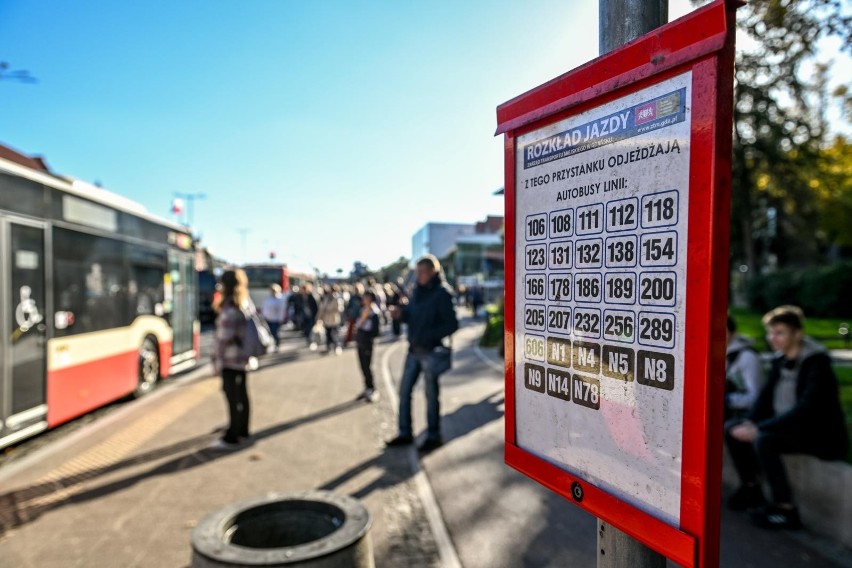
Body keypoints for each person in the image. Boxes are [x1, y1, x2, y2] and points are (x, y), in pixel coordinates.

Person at [725, 305, 849, 529]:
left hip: (818, 434)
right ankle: (751, 487)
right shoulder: (779, 360)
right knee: (733, 428)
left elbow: (806, 409)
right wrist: (751, 421)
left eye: (779, 333)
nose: (773, 338)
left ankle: (785, 509)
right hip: (788, 427)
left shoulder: (816, 363)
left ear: (798, 334)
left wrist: (760, 427)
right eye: (771, 333)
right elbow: (764, 398)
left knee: (764, 439)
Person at [386, 255, 459, 453]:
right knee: (404, 392)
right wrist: (401, 314)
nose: (418, 276)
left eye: (421, 272)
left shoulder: (442, 293)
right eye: (416, 272)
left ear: (432, 272)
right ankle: (404, 432)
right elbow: (411, 315)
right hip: (413, 350)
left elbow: (452, 324)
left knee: (430, 395)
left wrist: (430, 336)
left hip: (430, 351)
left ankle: (433, 436)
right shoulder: (417, 291)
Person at [211, 269, 252, 450]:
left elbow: (223, 338)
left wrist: (215, 359)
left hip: (229, 359)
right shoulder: (244, 303)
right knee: (242, 394)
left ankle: (232, 436)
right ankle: (242, 429)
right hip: (242, 357)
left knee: (232, 396)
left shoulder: (229, 307)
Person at [725, 314, 765, 419]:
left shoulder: (747, 357)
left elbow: (756, 396)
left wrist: (726, 400)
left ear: (733, 334)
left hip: (742, 416)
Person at [355, 291, 382, 402]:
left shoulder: (374, 313)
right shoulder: (363, 310)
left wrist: (364, 324)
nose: (364, 299)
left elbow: (375, 331)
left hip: (367, 342)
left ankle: (372, 388)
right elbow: (357, 324)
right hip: (360, 341)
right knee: (362, 366)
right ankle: (366, 387)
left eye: (366, 297)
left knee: (367, 366)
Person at [318, 285, 344, 355]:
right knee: (328, 334)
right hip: (326, 319)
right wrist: (319, 317)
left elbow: (340, 309)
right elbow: (322, 308)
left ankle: (337, 346)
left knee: (335, 334)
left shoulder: (337, 299)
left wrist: (330, 310)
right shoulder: (326, 298)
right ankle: (329, 347)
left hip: (334, 319)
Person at [261, 284, 286, 350]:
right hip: (268, 318)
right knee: (269, 333)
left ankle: (277, 344)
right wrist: (263, 316)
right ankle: (272, 345)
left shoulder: (280, 299)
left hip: (276, 319)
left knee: (275, 333)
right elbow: (265, 308)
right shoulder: (268, 298)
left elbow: (282, 310)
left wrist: (281, 318)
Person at [302, 284, 319, 350]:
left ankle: (312, 341)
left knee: (311, 329)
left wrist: (317, 317)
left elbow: (317, 307)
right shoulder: (302, 296)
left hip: (312, 316)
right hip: (305, 315)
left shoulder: (312, 296)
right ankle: (309, 340)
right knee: (306, 329)